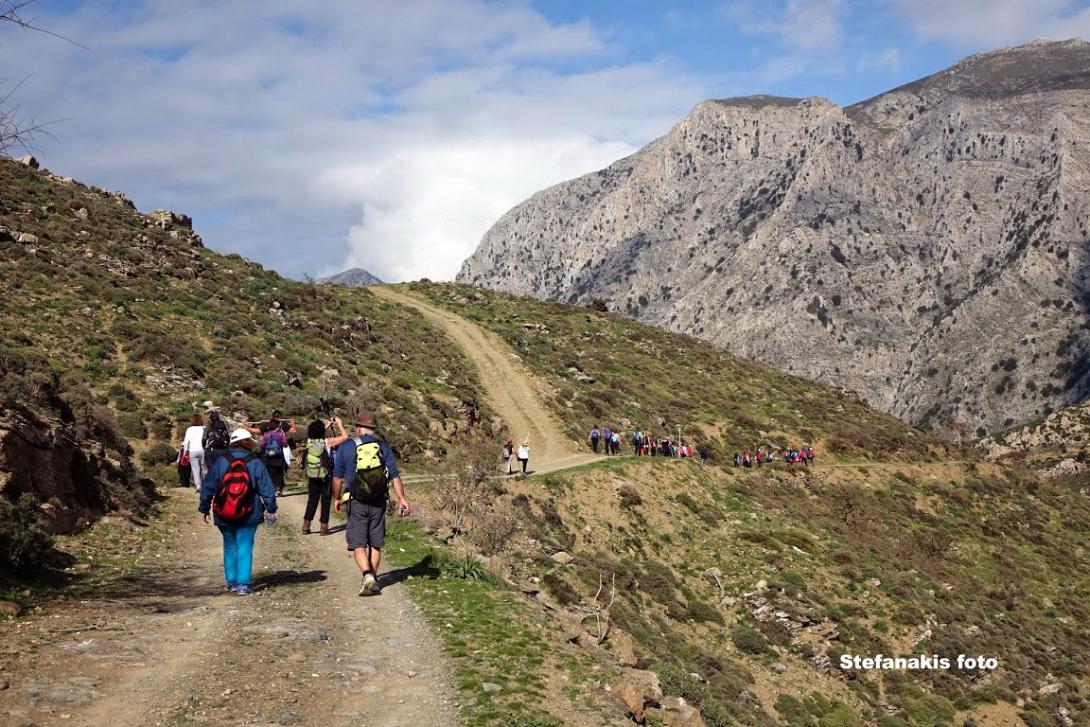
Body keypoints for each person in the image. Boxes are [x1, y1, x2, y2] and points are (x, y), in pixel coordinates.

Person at [332, 411, 411, 597]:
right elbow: (394, 475)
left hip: (355, 500)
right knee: (376, 542)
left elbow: (337, 477)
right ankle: (373, 579)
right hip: (378, 500)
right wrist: (401, 499)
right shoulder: (383, 447)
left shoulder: (346, 447)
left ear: (358, 428)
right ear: (373, 429)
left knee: (358, 542)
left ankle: (367, 575)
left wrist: (336, 497)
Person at [198, 428, 278, 595]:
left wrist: (204, 507)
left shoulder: (220, 461)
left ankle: (232, 581)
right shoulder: (255, 462)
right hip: (250, 512)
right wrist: (271, 509)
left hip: (223, 512)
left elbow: (208, 486)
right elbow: (266, 488)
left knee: (230, 545)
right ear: (248, 442)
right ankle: (243, 584)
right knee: (245, 546)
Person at [301, 417, 349, 535]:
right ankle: (324, 528)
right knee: (326, 501)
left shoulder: (309, 442)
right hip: (325, 476)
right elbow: (345, 437)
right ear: (322, 432)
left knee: (312, 501)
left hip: (312, 475)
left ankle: (306, 526)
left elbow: (316, 433)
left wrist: (326, 425)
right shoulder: (327, 442)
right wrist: (339, 424)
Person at [260, 422, 289, 496]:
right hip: (279, 457)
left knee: (271, 474)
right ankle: (279, 489)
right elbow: (285, 444)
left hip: (269, 457)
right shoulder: (280, 434)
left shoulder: (265, 435)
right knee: (280, 473)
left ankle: (272, 489)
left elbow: (262, 445)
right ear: (277, 427)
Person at [181, 414, 207, 491]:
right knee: (204, 468)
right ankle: (204, 485)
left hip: (193, 451)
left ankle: (198, 486)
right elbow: (207, 439)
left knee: (195, 469)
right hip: (203, 450)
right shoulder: (204, 428)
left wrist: (185, 451)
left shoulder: (189, 429)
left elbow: (186, 442)